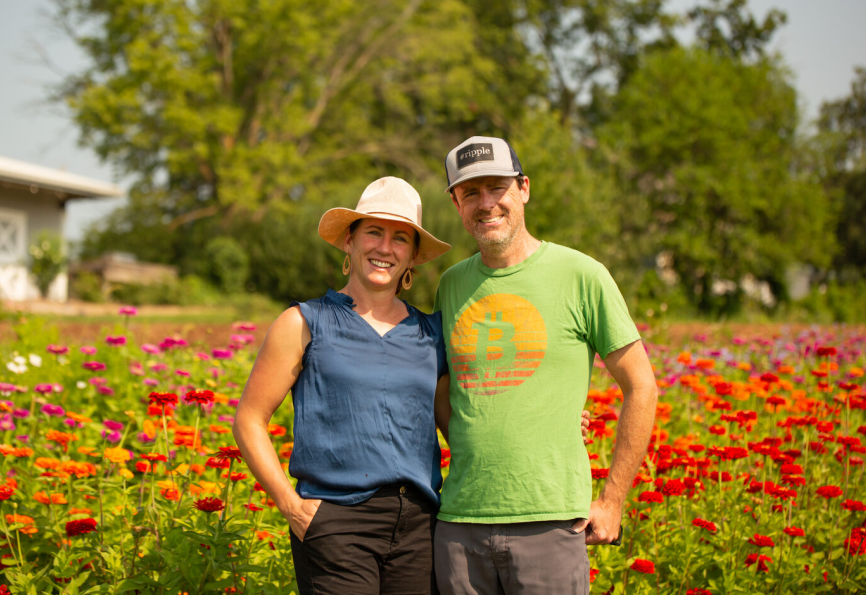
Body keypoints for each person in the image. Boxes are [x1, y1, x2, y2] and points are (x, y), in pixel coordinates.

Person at [432, 136, 659, 595]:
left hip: (552, 524)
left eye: (497, 187)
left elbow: (642, 385)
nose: (486, 203)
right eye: (470, 193)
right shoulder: (451, 285)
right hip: (458, 524)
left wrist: (612, 500)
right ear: (456, 203)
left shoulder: (582, 275)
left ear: (524, 189)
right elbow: (443, 384)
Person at [232, 176, 453, 595]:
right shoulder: (303, 322)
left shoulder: (430, 334)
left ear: (412, 258)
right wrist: (290, 505)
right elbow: (249, 420)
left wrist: (552, 422)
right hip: (336, 523)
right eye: (373, 231)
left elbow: (457, 427)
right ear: (349, 242)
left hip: (420, 527)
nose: (385, 248)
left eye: (400, 238)